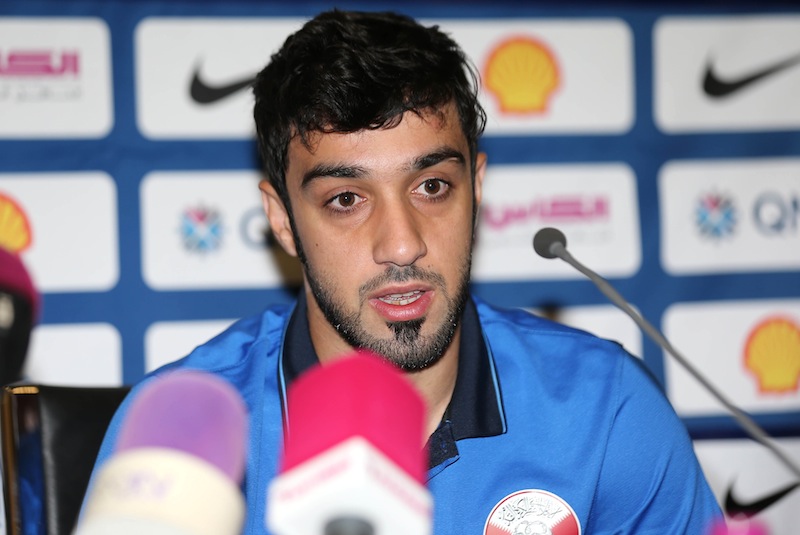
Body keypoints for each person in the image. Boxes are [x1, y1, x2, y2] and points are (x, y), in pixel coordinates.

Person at [89, 9, 723, 534]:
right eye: (346, 199)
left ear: (475, 188)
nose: (401, 244)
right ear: (282, 219)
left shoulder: (603, 409)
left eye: (431, 186)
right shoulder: (189, 441)